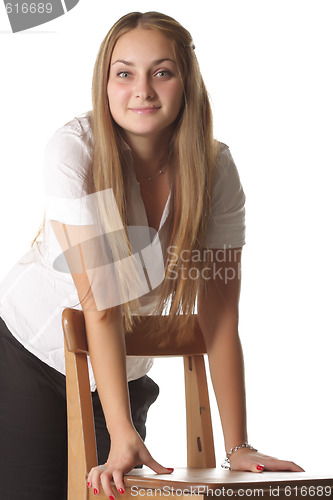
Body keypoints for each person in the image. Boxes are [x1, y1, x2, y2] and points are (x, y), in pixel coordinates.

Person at [0, 11, 304, 500]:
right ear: (105, 83)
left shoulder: (215, 169)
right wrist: (121, 431)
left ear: (187, 82)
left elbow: (221, 316)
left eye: (162, 72)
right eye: (124, 73)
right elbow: (100, 302)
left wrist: (238, 446)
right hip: (28, 357)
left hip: (125, 371)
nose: (142, 89)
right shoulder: (75, 150)